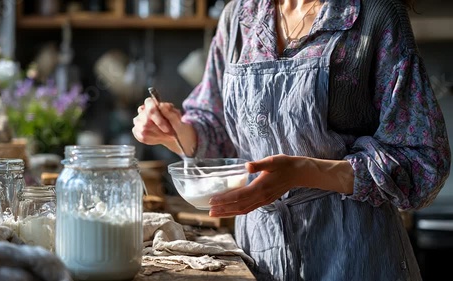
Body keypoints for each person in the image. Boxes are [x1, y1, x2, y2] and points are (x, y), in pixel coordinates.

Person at [132, 0, 451, 280]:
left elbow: (423, 160)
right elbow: (218, 133)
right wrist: (175, 131)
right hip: (261, 255)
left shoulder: (373, 15)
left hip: (354, 252)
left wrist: (302, 171)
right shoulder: (240, 16)